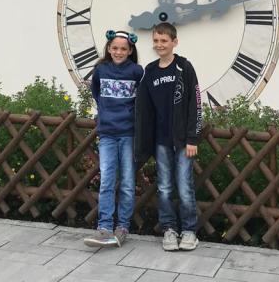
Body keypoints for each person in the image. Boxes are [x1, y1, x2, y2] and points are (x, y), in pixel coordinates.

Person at [135, 22, 202, 252]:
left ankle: (189, 231)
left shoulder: (184, 67)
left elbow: (195, 104)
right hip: (161, 141)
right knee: (163, 188)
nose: (159, 45)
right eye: (156, 40)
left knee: (184, 187)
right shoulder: (150, 71)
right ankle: (169, 229)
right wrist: (144, 143)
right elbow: (144, 109)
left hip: (183, 142)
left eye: (164, 40)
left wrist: (193, 138)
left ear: (174, 42)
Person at [84, 29, 144, 248]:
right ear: (108, 49)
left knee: (127, 182)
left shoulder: (137, 72)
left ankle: (123, 226)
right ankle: (104, 227)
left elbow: (142, 99)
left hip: (128, 134)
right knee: (107, 180)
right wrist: (106, 114)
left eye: (123, 49)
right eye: (115, 48)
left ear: (130, 51)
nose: (119, 52)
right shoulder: (101, 70)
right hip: (107, 133)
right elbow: (97, 94)